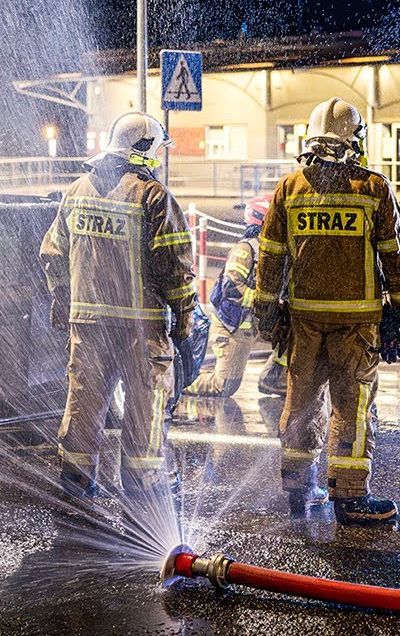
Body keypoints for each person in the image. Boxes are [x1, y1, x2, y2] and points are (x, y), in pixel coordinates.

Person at [254, 97, 400, 525]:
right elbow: (393, 257)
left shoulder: (289, 189)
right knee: (351, 406)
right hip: (357, 325)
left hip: (304, 322)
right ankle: (349, 497)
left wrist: (266, 313)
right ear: (355, 141)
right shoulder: (373, 189)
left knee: (301, 402)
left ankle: (296, 488)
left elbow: (270, 259)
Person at [40, 111, 196, 503]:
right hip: (139, 330)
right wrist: (184, 319)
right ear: (143, 150)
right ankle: (144, 490)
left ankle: (76, 483)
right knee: (146, 412)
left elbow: (53, 254)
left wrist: (63, 301)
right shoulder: (152, 196)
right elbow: (175, 265)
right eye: (157, 150)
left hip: (89, 324)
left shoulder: (77, 190)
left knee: (84, 403)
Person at [183, 194, 288, 400]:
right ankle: (179, 382)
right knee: (224, 386)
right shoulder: (246, 249)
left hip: (257, 320)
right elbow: (231, 289)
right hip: (235, 325)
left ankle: (273, 378)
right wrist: (267, 302)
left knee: (296, 331)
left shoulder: (276, 250)